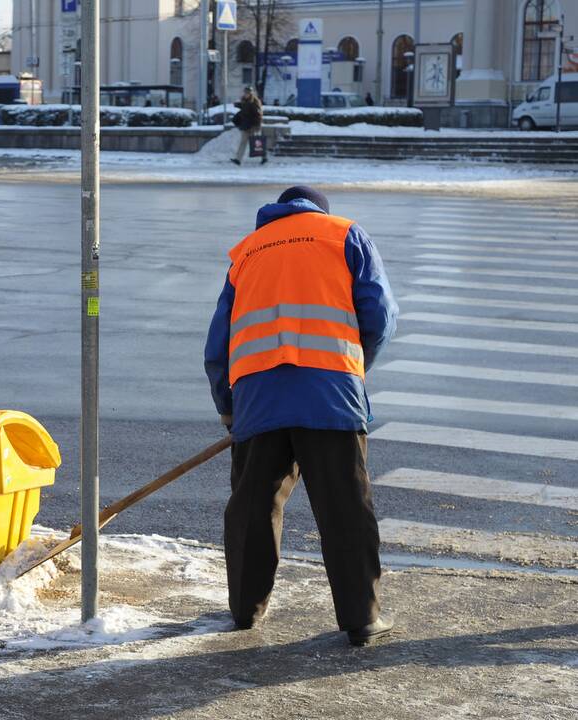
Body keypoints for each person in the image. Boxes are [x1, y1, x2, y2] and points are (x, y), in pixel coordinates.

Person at [203, 185, 399, 646]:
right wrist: (353, 364)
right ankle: (362, 619)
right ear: (318, 212)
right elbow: (381, 316)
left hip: (258, 397)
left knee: (254, 506)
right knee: (344, 507)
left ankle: (246, 611)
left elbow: (218, 344)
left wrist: (228, 406)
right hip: (330, 394)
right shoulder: (345, 235)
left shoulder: (246, 253)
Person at [231, 86, 264, 166]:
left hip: (253, 126)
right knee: (243, 142)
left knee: (256, 143)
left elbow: (258, 115)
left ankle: (264, 157)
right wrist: (237, 105)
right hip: (245, 125)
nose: (246, 94)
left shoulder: (255, 102)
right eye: (245, 92)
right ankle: (238, 159)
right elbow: (244, 108)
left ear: (251, 93)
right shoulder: (244, 101)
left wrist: (257, 125)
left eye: (248, 93)